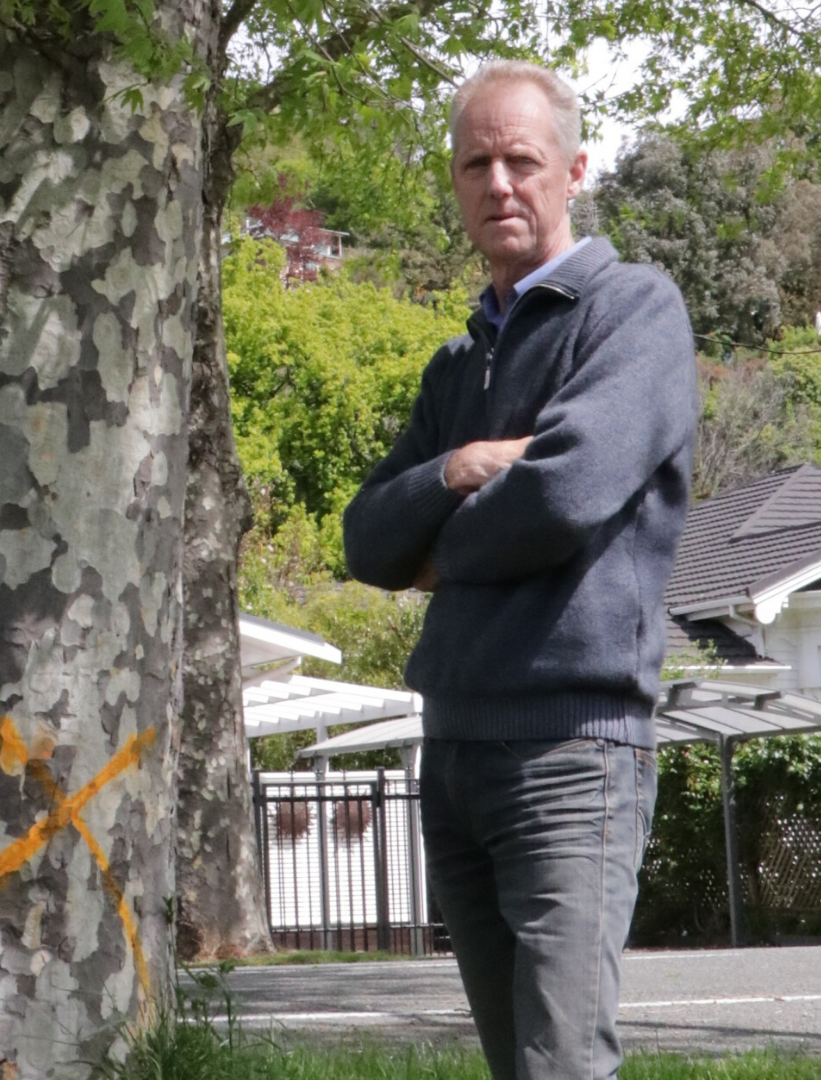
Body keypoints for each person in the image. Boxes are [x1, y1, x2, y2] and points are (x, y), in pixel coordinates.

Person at [341, 61, 696, 1080]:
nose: (499, 183)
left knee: (561, 1064)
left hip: (569, 758)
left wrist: (436, 553)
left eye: (522, 161)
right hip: (452, 754)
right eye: (475, 163)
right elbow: (367, 541)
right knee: (516, 1067)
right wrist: (456, 467)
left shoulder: (632, 314)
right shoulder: (457, 369)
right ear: (454, 183)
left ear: (574, 169)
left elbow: (564, 495)